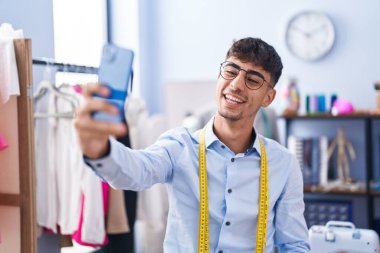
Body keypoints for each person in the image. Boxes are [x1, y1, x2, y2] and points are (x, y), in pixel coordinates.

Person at [75, 37, 310, 253]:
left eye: (253, 80)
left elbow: (294, 244)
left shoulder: (284, 164)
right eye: (231, 71)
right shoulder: (179, 146)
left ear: (268, 97)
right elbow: (137, 170)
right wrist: (100, 150)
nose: (237, 84)